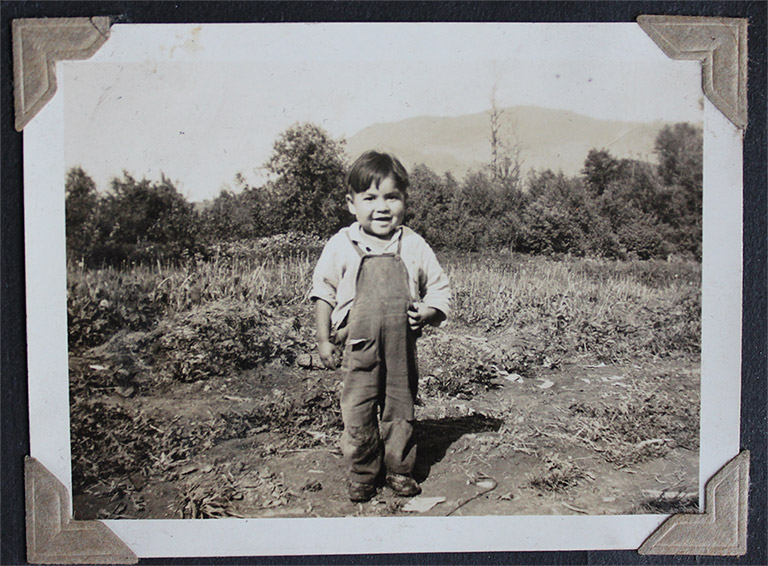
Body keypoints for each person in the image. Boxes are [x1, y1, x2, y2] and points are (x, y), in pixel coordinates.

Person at [310, 150, 451, 503]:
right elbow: (323, 292)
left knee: (399, 405)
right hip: (358, 346)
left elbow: (438, 287)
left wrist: (429, 312)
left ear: (404, 200)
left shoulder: (413, 244)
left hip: (400, 346)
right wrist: (324, 340)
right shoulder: (342, 245)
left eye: (392, 197)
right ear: (351, 203)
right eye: (370, 198)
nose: (382, 207)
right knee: (357, 407)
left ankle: (399, 469)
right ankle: (362, 471)